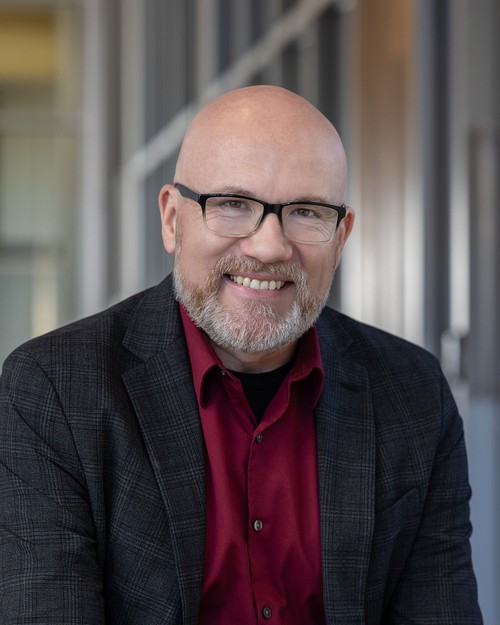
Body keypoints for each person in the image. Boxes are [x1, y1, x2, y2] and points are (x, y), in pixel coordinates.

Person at [0, 85, 482, 625]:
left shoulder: (413, 393)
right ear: (172, 219)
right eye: (232, 204)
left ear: (341, 237)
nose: (269, 246)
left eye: (306, 211)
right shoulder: (53, 392)